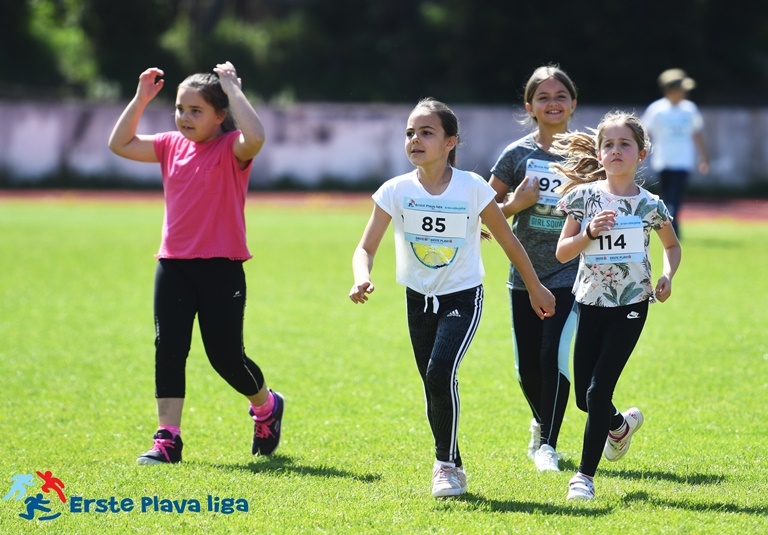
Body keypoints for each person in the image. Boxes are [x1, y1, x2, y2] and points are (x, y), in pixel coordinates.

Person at [349, 98, 556, 498]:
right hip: (417, 300)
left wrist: (535, 287)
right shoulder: (395, 190)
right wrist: (362, 277)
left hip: (462, 298)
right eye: (410, 132)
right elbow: (365, 247)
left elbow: (508, 240)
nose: (415, 139)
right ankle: (454, 463)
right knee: (433, 384)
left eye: (426, 132)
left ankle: (442, 466)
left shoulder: (472, 187)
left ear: (450, 142)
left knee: (439, 371)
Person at [108, 61, 284, 464]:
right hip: (173, 265)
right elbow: (120, 144)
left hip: (222, 268)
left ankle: (266, 406)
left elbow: (257, 137)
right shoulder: (169, 145)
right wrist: (140, 98)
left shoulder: (233, 148)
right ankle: (167, 439)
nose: (184, 117)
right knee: (168, 348)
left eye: (196, 110)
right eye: (179, 109)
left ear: (220, 115)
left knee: (226, 358)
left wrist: (233, 89)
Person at [553, 110, 681, 501]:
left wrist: (667, 275)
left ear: (641, 154)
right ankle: (619, 427)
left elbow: (672, 246)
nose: (615, 150)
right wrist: (589, 233)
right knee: (584, 398)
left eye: (625, 144)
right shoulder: (582, 197)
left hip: (631, 304)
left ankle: (584, 478)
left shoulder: (650, 205)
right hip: (590, 302)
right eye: (608, 144)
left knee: (597, 392)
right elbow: (562, 252)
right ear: (599, 153)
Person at [488, 65, 580, 472]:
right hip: (524, 274)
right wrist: (516, 204)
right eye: (543, 97)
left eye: (560, 96)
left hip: (572, 274)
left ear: (573, 103)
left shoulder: (590, 153)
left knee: (551, 356)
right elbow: (483, 212)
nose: (552, 103)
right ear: (529, 106)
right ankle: (542, 423)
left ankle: (548, 446)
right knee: (526, 367)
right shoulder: (516, 154)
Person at [641, 68, 709, 236]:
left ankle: (674, 227)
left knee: (676, 196)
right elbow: (644, 132)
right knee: (666, 197)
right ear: (669, 90)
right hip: (663, 160)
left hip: (683, 160)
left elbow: (696, 133)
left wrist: (703, 156)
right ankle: (668, 227)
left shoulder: (690, 109)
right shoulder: (657, 109)